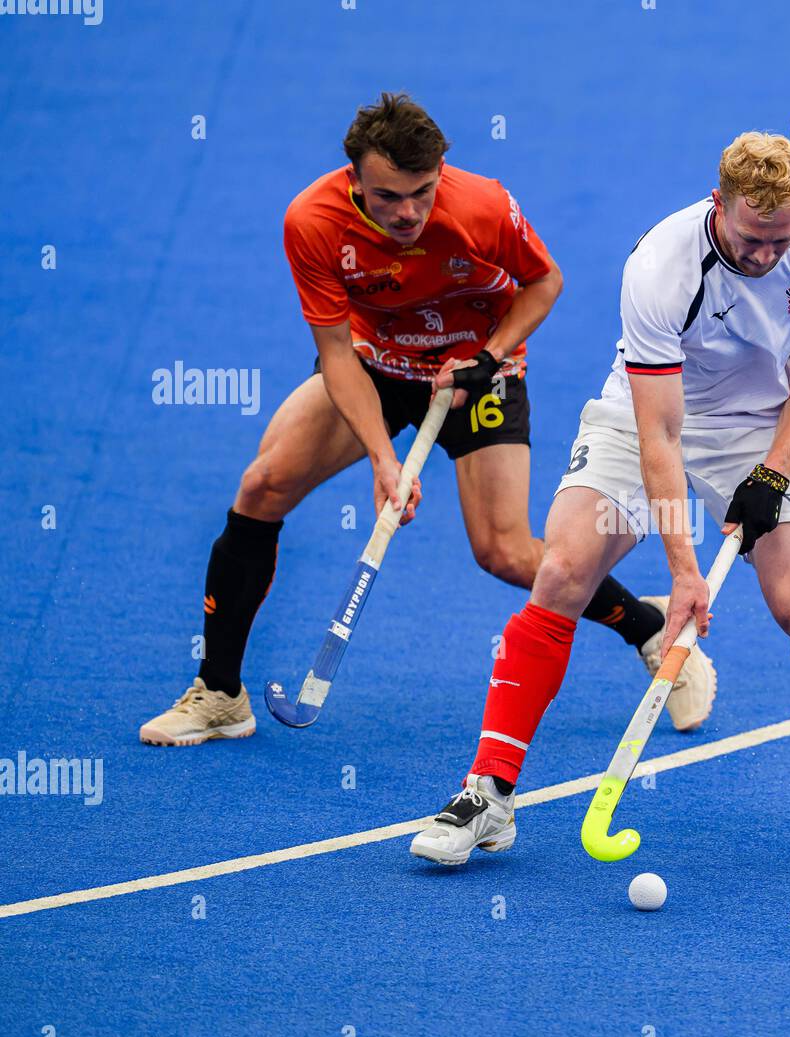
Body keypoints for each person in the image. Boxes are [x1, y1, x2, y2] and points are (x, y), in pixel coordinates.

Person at [410, 131, 790, 866]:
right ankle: (489, 794)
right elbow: (658, 436)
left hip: (755, 426)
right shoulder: (660, 266)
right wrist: (683, 571)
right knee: (562, 571)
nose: (764, 256)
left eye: (780, 239)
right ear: (719, 203)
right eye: (752, 238)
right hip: (644, 412)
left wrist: (772, 474)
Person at [139, 93, 715, 747]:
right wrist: (384, 459)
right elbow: (334, 351)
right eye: (388, 197)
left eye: (422, 190)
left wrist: (488, 356)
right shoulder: (313, 222)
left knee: (503, 551)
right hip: (374, 366)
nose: (409, 212)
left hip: (477, 375)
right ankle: (220, 693)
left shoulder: (483, 206)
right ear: (353, 177)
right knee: (261, 487)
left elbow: (544, 282)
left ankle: (644, 626)